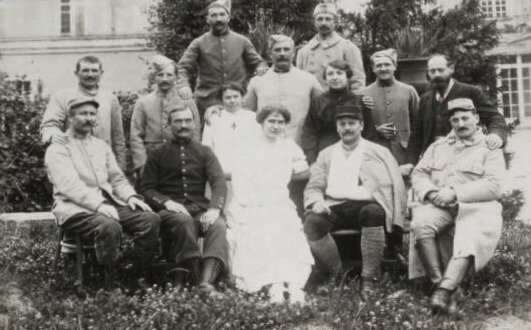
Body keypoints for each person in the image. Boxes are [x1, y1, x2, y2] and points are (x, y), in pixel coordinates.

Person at [44, 97, 161, 288]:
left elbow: (117, 179)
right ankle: (110, 284)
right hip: (73, 207)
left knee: (149, 220)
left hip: (108, 202)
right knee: (109, 226)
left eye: (92, 114)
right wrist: (98, 205)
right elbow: (69, 185)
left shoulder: (100, 146)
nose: (88, 118)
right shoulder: (58, 148)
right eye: (83, 114)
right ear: (70, 117)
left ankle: (137, 279)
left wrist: (130, 196)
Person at [409, 98, 506, 313]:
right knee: (421, 224)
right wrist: (431, 192)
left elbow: (494, 186)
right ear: (450, 123)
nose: (461, 124)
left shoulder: (489, 147)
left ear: (477, 119)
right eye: (455, 120)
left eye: (465, 118)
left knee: (469, 234)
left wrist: (454, 193)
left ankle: (444, 291)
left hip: (478, 208)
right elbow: (419, 173)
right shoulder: (439, 146)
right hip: (441, 205)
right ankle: (439, 285)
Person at [303, 105, 407, 299]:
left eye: (352, 123)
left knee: (373, 213)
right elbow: (314, 186)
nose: (347, 128)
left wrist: (398, 216)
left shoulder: (378, 152)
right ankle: (338, 274)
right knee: (313, 222)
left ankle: (369, 279)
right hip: (334, 205)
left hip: (367, 205)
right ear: (337, 127)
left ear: (361, 125)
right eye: (342, 124)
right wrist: (315, 201)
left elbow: (394, 185)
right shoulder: (326, 154)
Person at [227, 105, 314, 304]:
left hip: (279, 201)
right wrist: (257, 202)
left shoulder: (289, 146)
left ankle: (293, 284)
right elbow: (241, 182)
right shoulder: (248, 147)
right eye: (271, 121)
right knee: (261, 232)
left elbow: (303, 170)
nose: (276, 126)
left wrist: (284, 180)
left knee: (287, 233)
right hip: (251, 202)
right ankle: (273, 283)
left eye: (280, 122)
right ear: (262, 122)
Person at [140, 105, 229, 295]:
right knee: (184, 221)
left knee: (218, 225)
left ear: (194, 123)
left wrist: (214, 209)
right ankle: (195, 278)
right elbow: (146, 188)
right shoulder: (157, 153)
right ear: (169, 125)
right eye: (177, 121)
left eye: (187, 120)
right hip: (169, 211)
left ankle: (206, 283)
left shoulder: (205, 152)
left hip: (199, 207)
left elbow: (219, 182)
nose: (183, 125)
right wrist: (166, 202)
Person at [176, 0, 268, 119]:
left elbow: (258, 62)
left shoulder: (242, 41)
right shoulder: (199, 42)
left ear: (228, 18)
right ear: (207, 19)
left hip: (237, 100)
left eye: (222, 14)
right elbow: (183, 66)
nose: (218, 19)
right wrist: (183, 85)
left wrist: (261, 68)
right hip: (207, 101)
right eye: (213, 15)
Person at [411, 54, 507, 163]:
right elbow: (417, 134)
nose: (437, 74)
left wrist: (496, 135)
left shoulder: (470, 92)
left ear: (451, 69)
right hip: (434, 160)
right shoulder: (425, 99)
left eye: (440, 70)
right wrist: (410, 162)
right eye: (432, 71)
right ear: (428, 73)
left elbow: (494, 117)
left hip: (465, 157)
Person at [41, 56, 127, 170]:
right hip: (73, 165)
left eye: (94, 70)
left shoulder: (110, 98)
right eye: (85, 70)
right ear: (76, 73)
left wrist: (120, 166)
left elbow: (118, 138)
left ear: (101, 73)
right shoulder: (61, 97)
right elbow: (48, 126)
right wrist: (54, 135)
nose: (90, 74)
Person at [243, 34, 323, 145]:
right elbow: (245, 114)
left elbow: (322, 111)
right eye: (277, 50)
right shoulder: (257, 81)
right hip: (266, 146)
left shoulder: (309, 80)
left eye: (286, 49)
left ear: (293, 53)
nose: (282, 53)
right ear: (270, 54)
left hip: (300, 145)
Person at [130, 55, 200, 176]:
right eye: (160, 75)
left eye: (169, 75)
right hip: (152, 161)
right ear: (154, 77)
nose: (164, 79)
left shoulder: (186, 101)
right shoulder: (143, 102)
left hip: (181, 159)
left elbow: (195, 133)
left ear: (176, 77)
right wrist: (142, 164)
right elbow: (136, 136)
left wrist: (192, 162)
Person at [301, 59, 376, 165]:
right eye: (330, 74)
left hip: (354, 153)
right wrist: (313, 160)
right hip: (325, 153)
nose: (335, 77)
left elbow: (369, 131)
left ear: (347, 76)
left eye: (339, 73)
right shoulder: (318, 101)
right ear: (325, 78)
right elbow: (310, 132)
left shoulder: (359, 101)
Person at [202, 84, 261, 217]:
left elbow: (257, 146)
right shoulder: (214, 117)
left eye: (236, 96)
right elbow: (206, 147)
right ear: (221, 100)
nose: (232, 100)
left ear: (242, 97)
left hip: (245, 173)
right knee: (222, 212)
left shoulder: (252, 117)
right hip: (220, 172)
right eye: (227, 97)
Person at [362, 49, 419, 175]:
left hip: (403, 152)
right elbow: (358, 125)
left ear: (394, 66)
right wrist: (375, 129)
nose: (383, 68)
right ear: (373, 68)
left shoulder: (409, 91)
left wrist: (412, 157)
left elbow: (418, 124)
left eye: (387, 64)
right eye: (378, 65)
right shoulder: (363, 94)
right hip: (375, 152)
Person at [296, 2, 365, 93]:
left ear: (335, 22)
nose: (323, 23)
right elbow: (298, 83)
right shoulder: (304, 51)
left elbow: (357, 81)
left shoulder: (348, 47)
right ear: (314, 22)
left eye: (328, 19)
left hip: (340, 104)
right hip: (312, 104)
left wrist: (355, 103)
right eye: (319, 19)